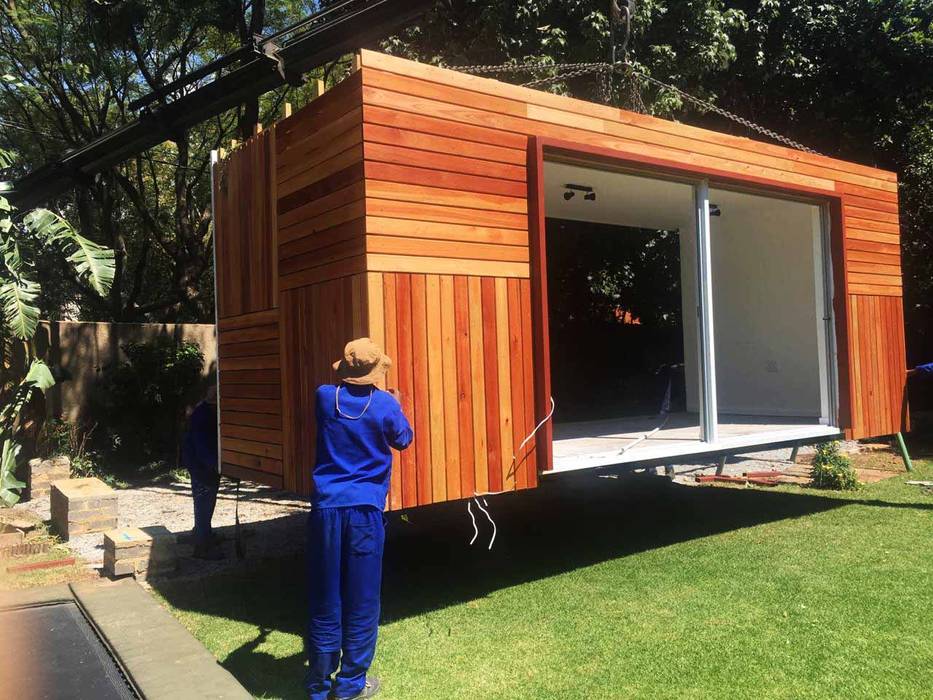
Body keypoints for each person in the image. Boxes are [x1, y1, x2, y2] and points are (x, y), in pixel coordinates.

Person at [305, 338, 413, 700]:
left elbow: (342, 401)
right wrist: (397, 404)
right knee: (362, 598)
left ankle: (318, 685)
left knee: (326, 595)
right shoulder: (384, 404)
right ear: (375, 372)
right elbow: (403, 440)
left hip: (326, 511)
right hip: (364, 512)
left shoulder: (324, 397)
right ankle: (351, 685)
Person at [181, 385, 222, 560]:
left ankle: (203, 533)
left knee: (207, 501)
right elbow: (202, 446)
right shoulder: (203, 416)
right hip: (201, 467)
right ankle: (202, 547)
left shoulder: (206, 411)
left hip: (203, 465)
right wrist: (214, 465)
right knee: (204, 503)